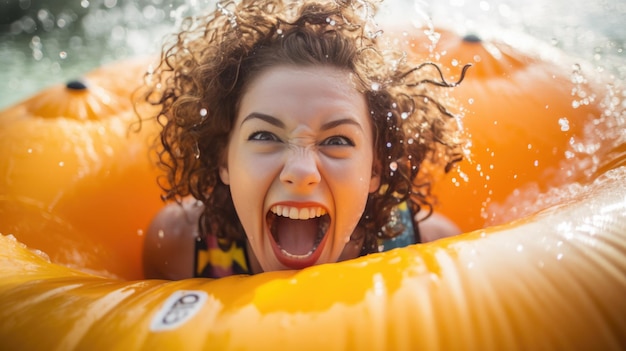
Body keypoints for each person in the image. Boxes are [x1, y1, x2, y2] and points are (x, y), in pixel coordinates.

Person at [140, 0, 465, 280]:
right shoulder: (180, 247)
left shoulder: (430, 254)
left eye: (337, 141)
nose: (301, 171)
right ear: (224, 159)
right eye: (265, 135)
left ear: (375, 169)